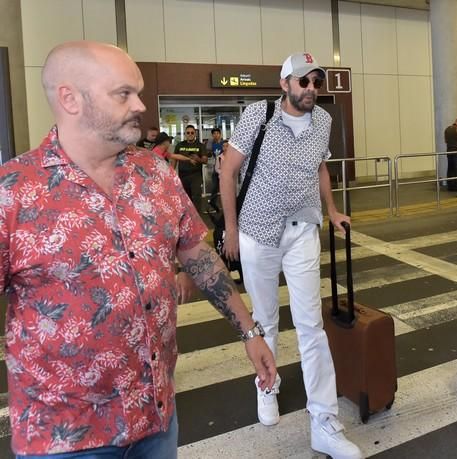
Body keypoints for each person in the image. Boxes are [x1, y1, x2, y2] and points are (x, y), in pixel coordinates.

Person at [0, 40, 276, 458]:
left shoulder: (155, 173)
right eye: (123, 93)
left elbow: (198, 258)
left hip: (156, 421)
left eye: (139, 92)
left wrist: (250, 332)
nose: (140, 105)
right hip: (63, 439)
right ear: (70, 99)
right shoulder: (14, 192)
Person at [220, 52, 362, 459]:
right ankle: (268, 385)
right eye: (304, 82)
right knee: (264, 321)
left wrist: (331, 210)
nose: (311, 89)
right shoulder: (257, 116)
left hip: (303, 230)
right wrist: (231, 229)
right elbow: (228, 171)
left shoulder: (324, 121)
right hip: (257, 231)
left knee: (311, 325)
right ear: (285, 84)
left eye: (316, 82)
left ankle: (324, 421)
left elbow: (321, 167)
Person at [175, 124, 208, 212]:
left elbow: (205, 160)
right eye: (188, 132)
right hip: (182, 175)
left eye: (192, 132)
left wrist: (198, 159)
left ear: (195, 134)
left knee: (196, 197)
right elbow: (174, 159)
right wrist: (172, 172)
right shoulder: (179, 145)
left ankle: (197, 218)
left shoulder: (200, 145)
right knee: (185, 197)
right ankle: (188, 217)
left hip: (196, 175)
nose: (190, 134)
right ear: (185, 134)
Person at [206, 127, 224, 212]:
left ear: (220, 134)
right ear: (212, 135)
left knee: (224, 188)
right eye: (214, 134)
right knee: (214, 188)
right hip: (215, 169)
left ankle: (226, 206)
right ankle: (213, 205)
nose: (216, 135)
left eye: (217, 133)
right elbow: (208, 154)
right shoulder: (211, 144)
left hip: (224, 169)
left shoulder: (224, 144)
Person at [444, 117, 457, 192]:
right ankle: (456, 187)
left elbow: (445, 141)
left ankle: (450, 186)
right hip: (456, 151)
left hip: (449, 151)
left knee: (450, 169)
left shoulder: (447, 129)